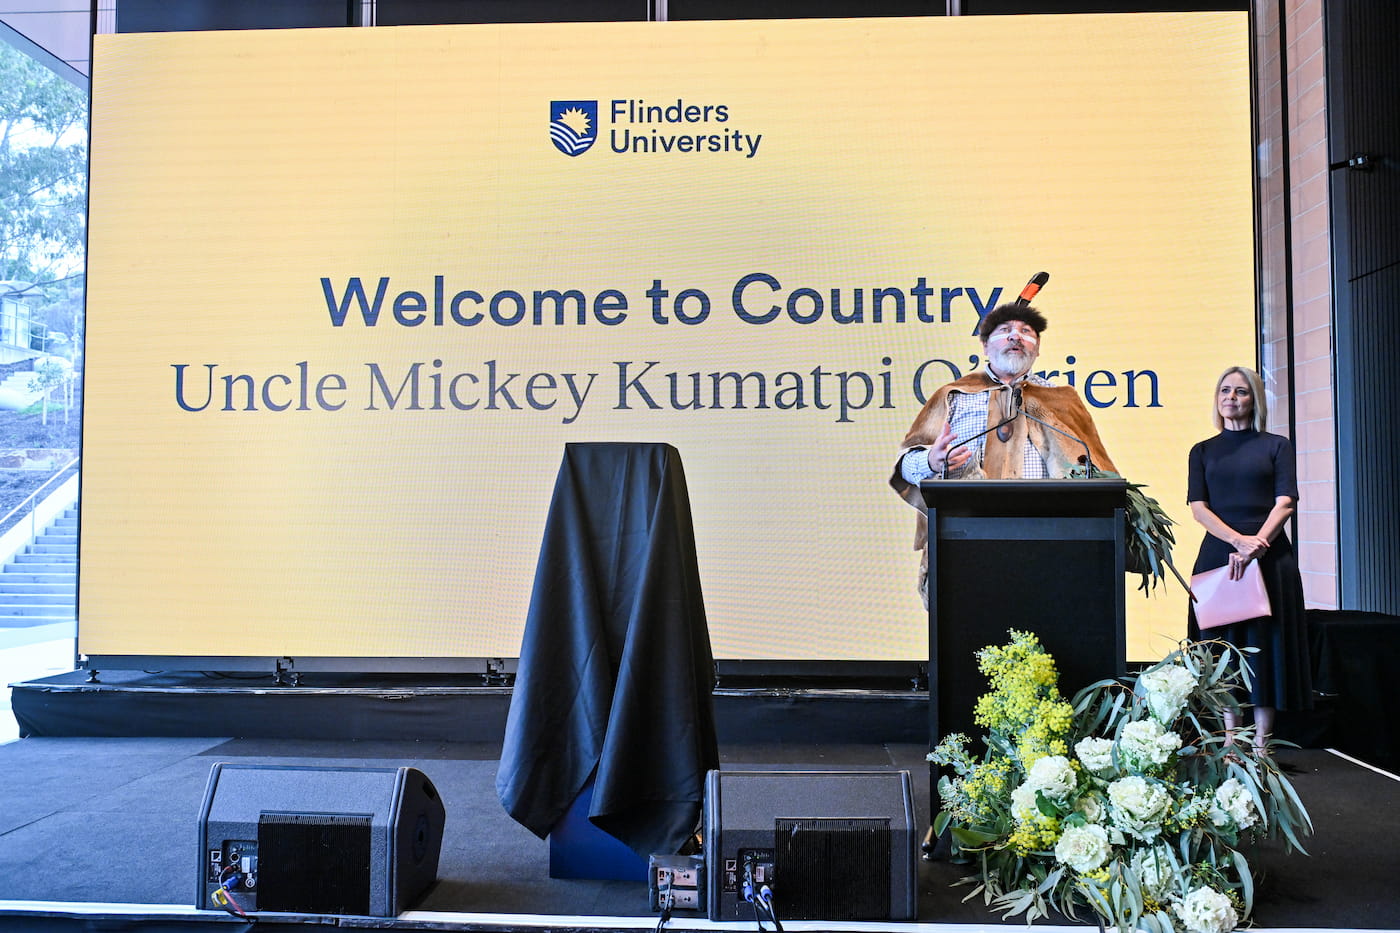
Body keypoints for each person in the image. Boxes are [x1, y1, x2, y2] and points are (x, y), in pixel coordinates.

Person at [889, 303, 1116, 602]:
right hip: (967, 544)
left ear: (1038, 350)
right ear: (984, 346)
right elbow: (905, 467)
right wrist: (931, 460)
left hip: (1050, 545)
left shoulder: (1062, 399)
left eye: (1026, 332)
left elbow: (1095, 470)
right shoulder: (953, 396)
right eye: (1005, 330)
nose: (1016, 337)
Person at [1186, 366, 1312, 754]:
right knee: (1220, 647)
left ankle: (1261, 742)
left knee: (1265, 644)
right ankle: (1230, 736)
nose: (1231, 398)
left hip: (1270, 556)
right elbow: (1198, 507)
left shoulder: (1277, 445)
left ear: (1253, 399)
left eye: (1240, 392)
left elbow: (1286, 502)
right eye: (1225, 390)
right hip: (1219, 553)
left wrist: (1258, 544)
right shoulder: (1202, 450)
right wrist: (1239, 541)